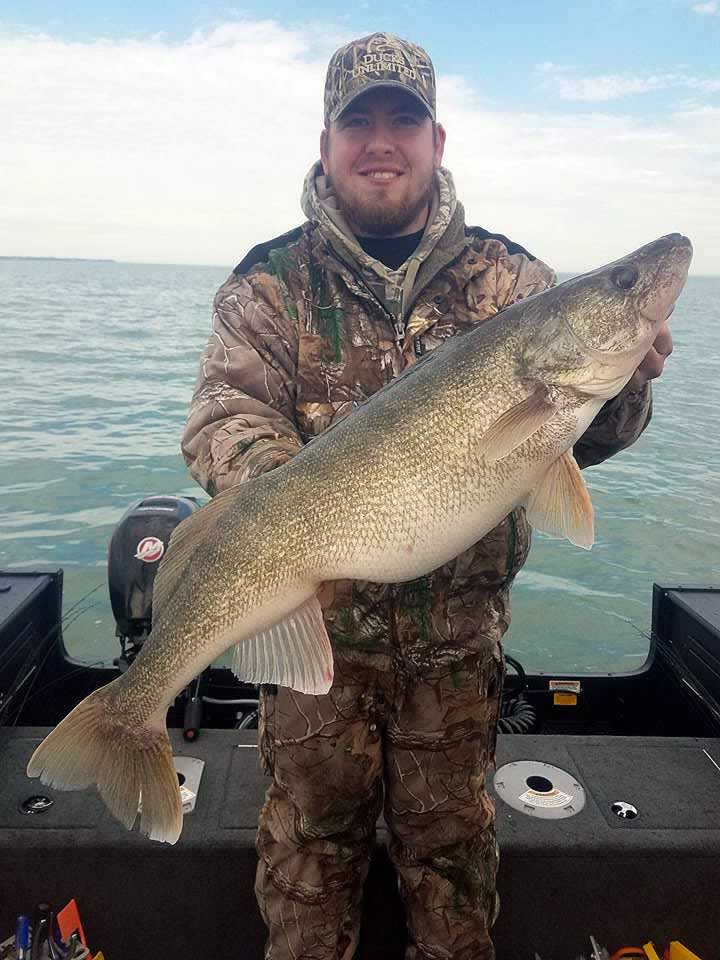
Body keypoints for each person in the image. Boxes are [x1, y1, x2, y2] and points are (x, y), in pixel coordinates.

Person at [182, 32, 671, 960]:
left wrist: (628, 383)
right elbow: (222, 417)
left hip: (458, 662)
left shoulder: (516, 284)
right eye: (356, 122)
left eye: (401, 120)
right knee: (306, 885)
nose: (380, 142)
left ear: (437, 140)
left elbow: (589, 434)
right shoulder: (267, 285)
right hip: (312, 654)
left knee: (454, 886)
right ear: (325, 144)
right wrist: (297, 509)